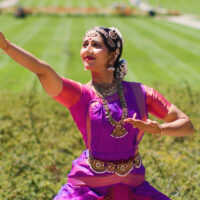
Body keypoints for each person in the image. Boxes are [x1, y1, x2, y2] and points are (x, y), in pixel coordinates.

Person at [0, 27, 193, 200]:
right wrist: (6, 46)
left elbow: (186, 124)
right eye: (85, 44)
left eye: (96, 45)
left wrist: (159, 129)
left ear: (113, 55)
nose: (88, 50)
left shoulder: (141, 93)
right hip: (88, 188)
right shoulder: (81, 95)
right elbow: (43, 71)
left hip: (133, 187)